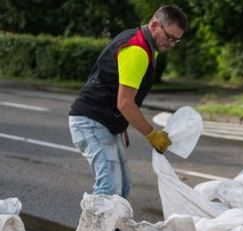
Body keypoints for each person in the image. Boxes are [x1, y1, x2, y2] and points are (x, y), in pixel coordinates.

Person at [68, 5, 187, 199]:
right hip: (90, 122)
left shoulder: (144, 44)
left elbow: (117, 88)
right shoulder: (137, 50)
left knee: (121, 190)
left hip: (104, 122)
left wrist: (120, 123)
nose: (172, 44)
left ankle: (111, 229)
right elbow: (125, 103)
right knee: (109, 188)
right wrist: (152, 135)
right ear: (156, 25)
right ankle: (97, 230)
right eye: (170, 37)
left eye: (177, 40)